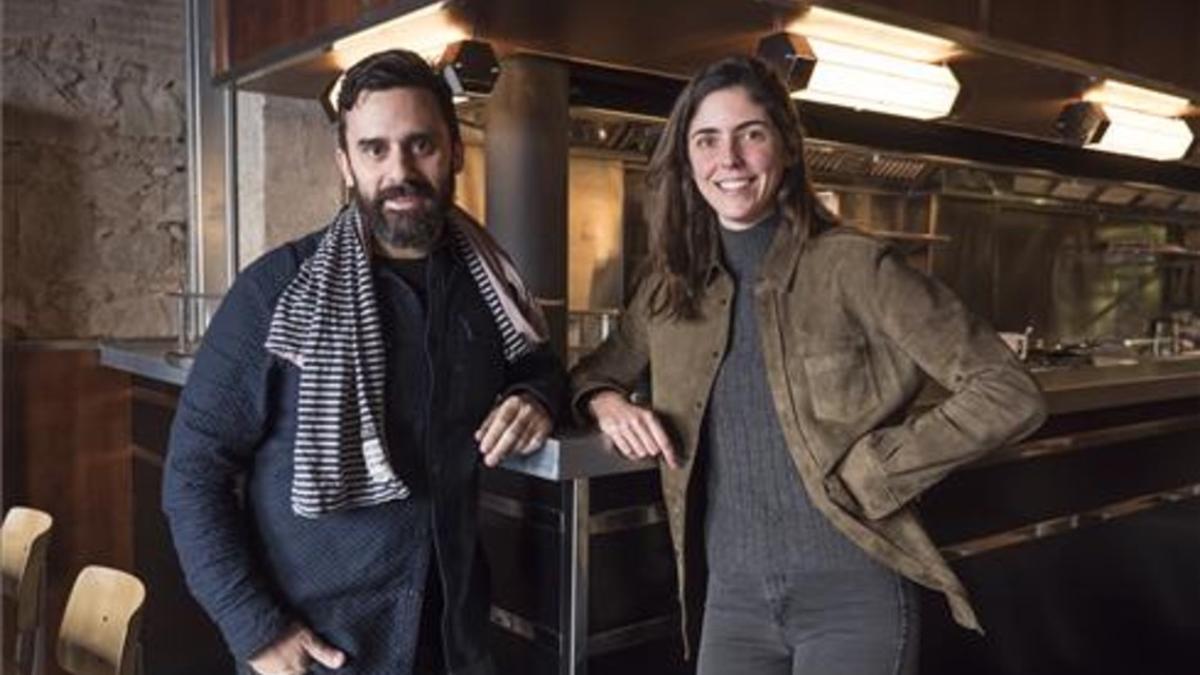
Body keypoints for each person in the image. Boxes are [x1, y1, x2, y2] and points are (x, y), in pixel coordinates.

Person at [570, 56, 1047, 675]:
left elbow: (1008, 390)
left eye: (752, 134)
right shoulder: (668, 290)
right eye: (707, 140)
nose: (729, 160)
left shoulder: (856, 267)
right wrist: (607, 403)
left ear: (788, 149)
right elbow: (591, 374)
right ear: (688, 161)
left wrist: (880, 470)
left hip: (853, 596)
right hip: (730, 603)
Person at [163, 49, 566, 675]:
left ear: (456, 151)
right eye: (375, 149)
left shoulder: (489, 287)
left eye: (421, 144)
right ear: (345, 164)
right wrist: (254, 628)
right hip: (320, 651)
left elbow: (539, 365)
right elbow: (193, 474)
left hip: (454, 639)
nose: (399, 170)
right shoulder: (276, 290)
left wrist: (536, 397)